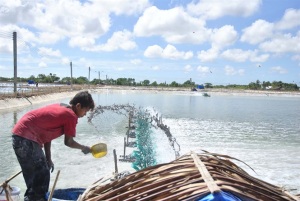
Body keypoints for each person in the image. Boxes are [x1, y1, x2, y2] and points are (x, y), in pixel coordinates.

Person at [12, 91, 95, 201]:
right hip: (26, 139)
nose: (85, 114)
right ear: (78, 106)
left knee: (34, 180)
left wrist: (48, 159)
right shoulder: (71, 116)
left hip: (19, 136)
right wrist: (84, 148)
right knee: (41, 176)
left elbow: (47, 136)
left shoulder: (61, 107)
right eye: (85, 110)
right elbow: (69, 142)